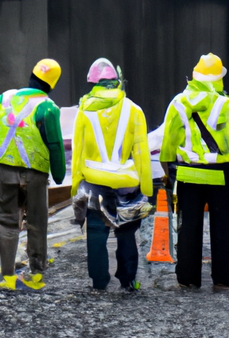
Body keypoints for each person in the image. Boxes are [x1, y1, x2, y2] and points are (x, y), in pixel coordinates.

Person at [0, 58, 66, 290]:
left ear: (31, 75)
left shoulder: (5, 97)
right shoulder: (48, 107)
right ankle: (35, 274)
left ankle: (8, 276)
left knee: (6, 220)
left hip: (3, 168)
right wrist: (59, 173)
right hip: (35, 171)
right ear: (52, 84)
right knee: (37, 222)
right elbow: (55, 144)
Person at [160, 53, 229, 289]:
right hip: (220, 173)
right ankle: (224, 277)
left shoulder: (178, 102)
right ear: (218, 78)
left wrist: (168, 171)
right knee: (221, 224)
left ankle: (188, 278)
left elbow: (169, 141)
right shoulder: (225, 103)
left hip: (189, 173)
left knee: (188, 225)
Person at [71, 58, 152, 292]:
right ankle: (128, 281)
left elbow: (78, 154)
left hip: (94, 182)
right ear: (117, 83)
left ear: (93, 84)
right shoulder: (134, 110)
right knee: (127, 233)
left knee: (96, 232)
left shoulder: (84, 111)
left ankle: (99, 282)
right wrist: (146, 188)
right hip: (127, 184)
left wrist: (75, 186)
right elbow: (141, 154)